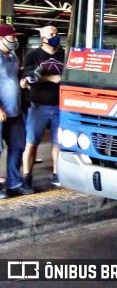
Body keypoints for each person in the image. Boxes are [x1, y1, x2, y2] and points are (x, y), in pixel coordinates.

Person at [21, 25, 65, 187]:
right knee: (31, 142)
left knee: (58, 142)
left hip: (60, 107)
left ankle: (57, 173)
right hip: (38, 106)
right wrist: (49, 78)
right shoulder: (33, 54)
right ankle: (26, 178)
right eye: (51, 34)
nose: (56, 36)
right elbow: (28, 77)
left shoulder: (64, 54)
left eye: (57, 33)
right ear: (43, 38)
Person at [0, 24, 34, 197]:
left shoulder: (13, 57)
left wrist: (23, 82)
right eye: (12, 37)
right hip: (1, 113)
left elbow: (12, 80)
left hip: (15, 112)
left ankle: (14, 183)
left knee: (17, 147)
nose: (15, 40)